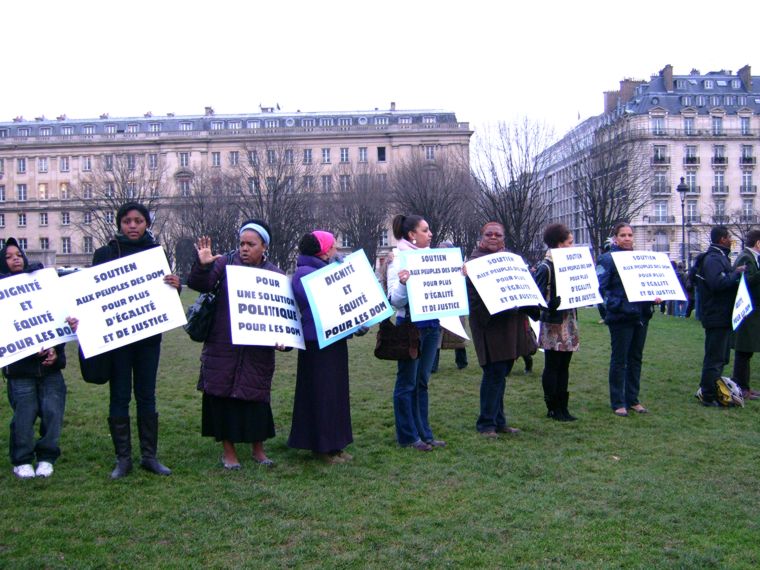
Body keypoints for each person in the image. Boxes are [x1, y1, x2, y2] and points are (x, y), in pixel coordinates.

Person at [92, 202, 180, 479]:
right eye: (128, 221)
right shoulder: (104, 254)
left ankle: (149, 456)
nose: (132, 225)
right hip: (117, 340)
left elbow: (166, 299)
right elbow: (93, 296)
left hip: (148, 339)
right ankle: (123, 459)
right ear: (120, 223)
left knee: (146, 395)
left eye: (138, 221)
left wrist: (175, 287)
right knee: (119, 395)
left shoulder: (156, 254)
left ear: (146, 224)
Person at [188, 220, 284, 469]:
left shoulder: (275, 276)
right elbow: (201, 284)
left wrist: (285, 342)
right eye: (241, 243)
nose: (244, 248)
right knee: (222, 399)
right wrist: (203, 264)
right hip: (223, 345)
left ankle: (258, 450)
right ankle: (228, 452)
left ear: (264, 246)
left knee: (256, 400)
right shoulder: (224, 264)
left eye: (251, 244)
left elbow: (283, 317)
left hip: (256, 352)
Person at [1, 238, 77, 479]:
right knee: (24, 414)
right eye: (9, 256)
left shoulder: (42, 284)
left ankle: (46, 456)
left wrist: (55, 350)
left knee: (53, 411)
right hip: (20, 371)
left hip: (50, 368)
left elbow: (56, 319)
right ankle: (21, 459)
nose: (16, 258)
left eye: (19, 254)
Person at [288, 231, 355, 464]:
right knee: (322, 395)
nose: (337, 250)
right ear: (324, 250)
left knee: (335, 394)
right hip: (317, 343)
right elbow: (327, 304)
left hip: (333, 339)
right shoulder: (304, 275)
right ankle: (322, 447)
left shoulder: (323, 271)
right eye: (334, 246)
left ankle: (336, 444)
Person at [466, 222, 535, 437]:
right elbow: (473, 298)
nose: (493, 237)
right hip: (489, 325)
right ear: (482, 237)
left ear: (503, 238)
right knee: (493, 373)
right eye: (489, 234)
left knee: (501, 374)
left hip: (509, 323)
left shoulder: (511, 260)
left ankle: (499, 420)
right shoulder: (474, 262)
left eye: (498, 234)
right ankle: (486, 423)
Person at [387, 214, 445, 451]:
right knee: (407, 383)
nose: (430, 234)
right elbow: (395, 300)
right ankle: (408, 436)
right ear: (412, 234)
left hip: (431, 325)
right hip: (410, 326)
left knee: (422, 382)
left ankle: (425, 433)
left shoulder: (431, 257)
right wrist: (403, 283)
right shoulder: (398, 259)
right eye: (425, 230)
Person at [597, 222, 656, 417]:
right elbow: (601, 290)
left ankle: (633, 399)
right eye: (623, 235)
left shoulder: (640, 260)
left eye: (630, 235)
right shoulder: (607, 260)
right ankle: (618, 401)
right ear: (615, 238)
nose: (627, 238)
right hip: (621, 317)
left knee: (636, 358)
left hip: (640, 315)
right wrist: (617, 306)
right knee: (620, 360)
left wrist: (653, 297)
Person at [534, 223, 580, 421]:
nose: (572, 246)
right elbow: (536, 297)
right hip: (553, 322)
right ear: (559, 245)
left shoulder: (568, 265)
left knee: (565, 366)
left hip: (568, 319)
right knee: (553, 365)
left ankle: (563, 406)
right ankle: (552, 407)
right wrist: (549, 304)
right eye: (569, 242)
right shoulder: (546, 267)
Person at [696, 226, 746, 406]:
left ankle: (713, 389)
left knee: (721, 356)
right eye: (729, 237)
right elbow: (717, 283)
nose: (731, 241)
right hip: (716, 314)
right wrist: (736, 273)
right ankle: (708, 394)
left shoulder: (719, 257)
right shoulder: (714, 259)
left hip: (721, 315)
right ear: (722, 239)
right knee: (715, 356)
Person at [732, 229, 760, 401]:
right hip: (746, 312)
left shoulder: (751, 258)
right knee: (744, 350)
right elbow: (745, 281)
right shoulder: (745, 257)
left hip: (751, 312)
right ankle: (741, 387)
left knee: (747, 351)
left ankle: (745, 386)